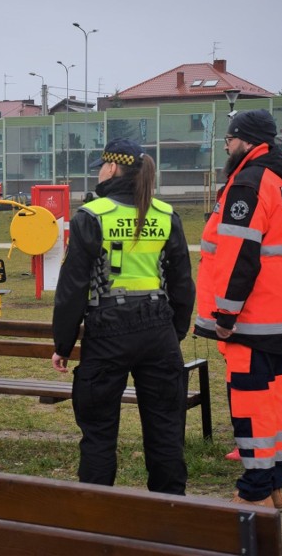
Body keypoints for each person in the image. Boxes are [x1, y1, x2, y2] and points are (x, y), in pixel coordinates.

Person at [51, 138, 195, 494]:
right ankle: (170, 512)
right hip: (158, 328)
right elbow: (182, 283)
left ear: (112, 168)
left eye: (101, 165)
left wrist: (63, 344)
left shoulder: (92, 216)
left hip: (107, 329)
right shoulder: (165, 215)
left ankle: (97, 515)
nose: (99, 172)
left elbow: (72, 289)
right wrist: (173, 332)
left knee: (99, 431)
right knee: (165, 429)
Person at [194, 109, 282, 509]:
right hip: (276, 314)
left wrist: (226, 316)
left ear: (247, 140)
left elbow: (238, 255)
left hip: (249, 320)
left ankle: (254, 489)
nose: (225, 145)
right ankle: (274, 481)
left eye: (229, 138)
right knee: (274, 398)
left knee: (251, 400)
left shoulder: (249, 182)